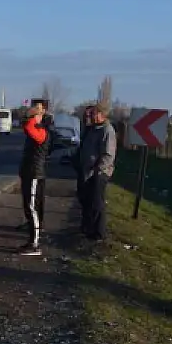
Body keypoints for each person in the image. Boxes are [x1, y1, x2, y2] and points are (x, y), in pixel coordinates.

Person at [77, 101, 117, 242]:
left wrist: (97, 170)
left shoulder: (107, 130)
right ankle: (89, 228)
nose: (92, 116)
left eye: (94, 114)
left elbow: (108, 155)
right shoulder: (93, 129)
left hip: (99, 173)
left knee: (96, 203)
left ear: (101, 114)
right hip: (87, 171)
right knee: (87, 201)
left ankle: (99, 233)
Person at [17, 101, 51, 256]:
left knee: (32, 208)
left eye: (34, 115)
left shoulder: (41, 130)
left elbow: (29, 128)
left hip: (34, 174)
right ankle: (32, 240)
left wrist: (32, 116)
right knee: (28, 207)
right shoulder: (35, 128)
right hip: (29, 172)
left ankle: (35, 244)